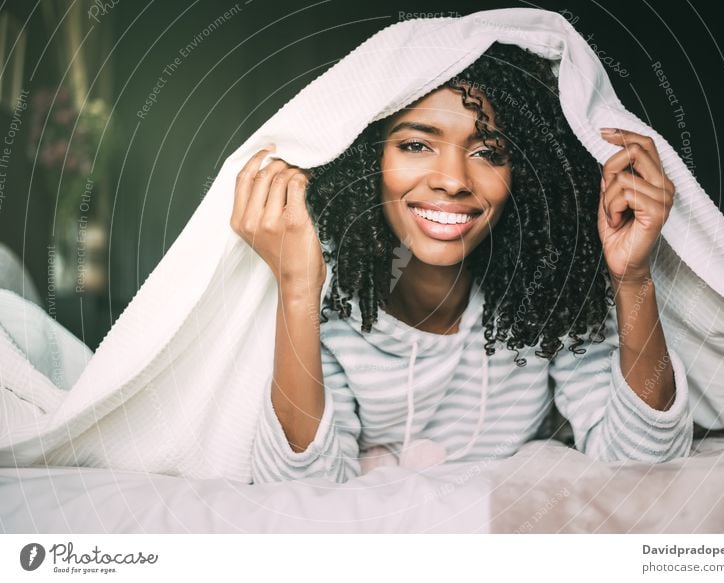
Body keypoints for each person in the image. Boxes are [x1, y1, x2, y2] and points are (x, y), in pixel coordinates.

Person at [230, 42, 693, 484]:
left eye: (488, 153)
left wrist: (633, 279)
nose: (452, 181)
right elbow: (300, 490)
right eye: (415, 145)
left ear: (524, 177)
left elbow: (646, 463)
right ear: (367, 158)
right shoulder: (328, 300)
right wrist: (295, 289)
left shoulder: (547, 292)